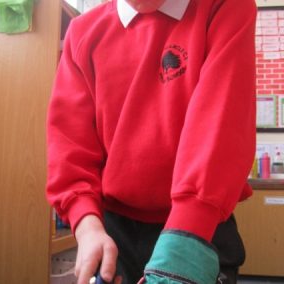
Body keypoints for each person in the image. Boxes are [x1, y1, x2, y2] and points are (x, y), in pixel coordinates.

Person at [46, 0, 257, 283]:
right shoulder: (84, 32)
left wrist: (187, 235)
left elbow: (221, 124)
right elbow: (70, 145)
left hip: (201, 229)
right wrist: (87, 226)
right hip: (113, 234)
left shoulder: (224, 6)